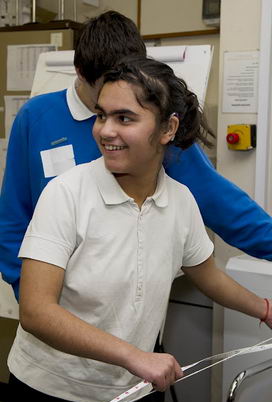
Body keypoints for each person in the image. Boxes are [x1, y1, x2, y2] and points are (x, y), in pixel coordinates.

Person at [6, 56, 272, 402]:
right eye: (102, 115)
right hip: (55, 390)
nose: (105, 130)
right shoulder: (66, 193)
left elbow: (206, 274)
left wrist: (266, 309)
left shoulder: (180, 200)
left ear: (167, 129)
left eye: (125, 118)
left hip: (135, 390)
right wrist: (135, 356)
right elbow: (36, 311)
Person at [1, 12, 272, 304]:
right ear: (80, 72)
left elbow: (220, 202)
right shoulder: (36, 118)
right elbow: (14, 216)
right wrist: (31, 295)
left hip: (134, 304)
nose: (121, 95)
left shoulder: (153, 124)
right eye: (106, 96)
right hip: (56, 302)